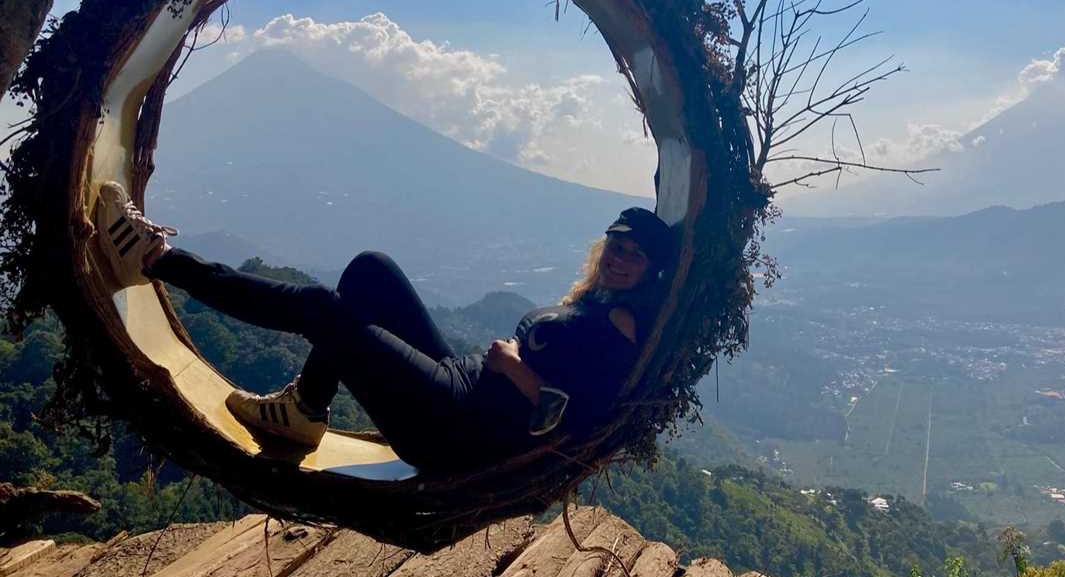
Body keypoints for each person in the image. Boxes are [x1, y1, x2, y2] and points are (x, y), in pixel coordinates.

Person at [95, 182, 675, 470]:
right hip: (461, 381)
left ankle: (154, 260)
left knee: (324, 310)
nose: (622, 257)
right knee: (371, 271)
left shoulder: (622, 322)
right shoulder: (598, 298)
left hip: (454, 424)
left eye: (636, 255)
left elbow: (585, 419)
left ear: (652, 271)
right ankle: (306, 410)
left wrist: (515, 369)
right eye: (618, 244)